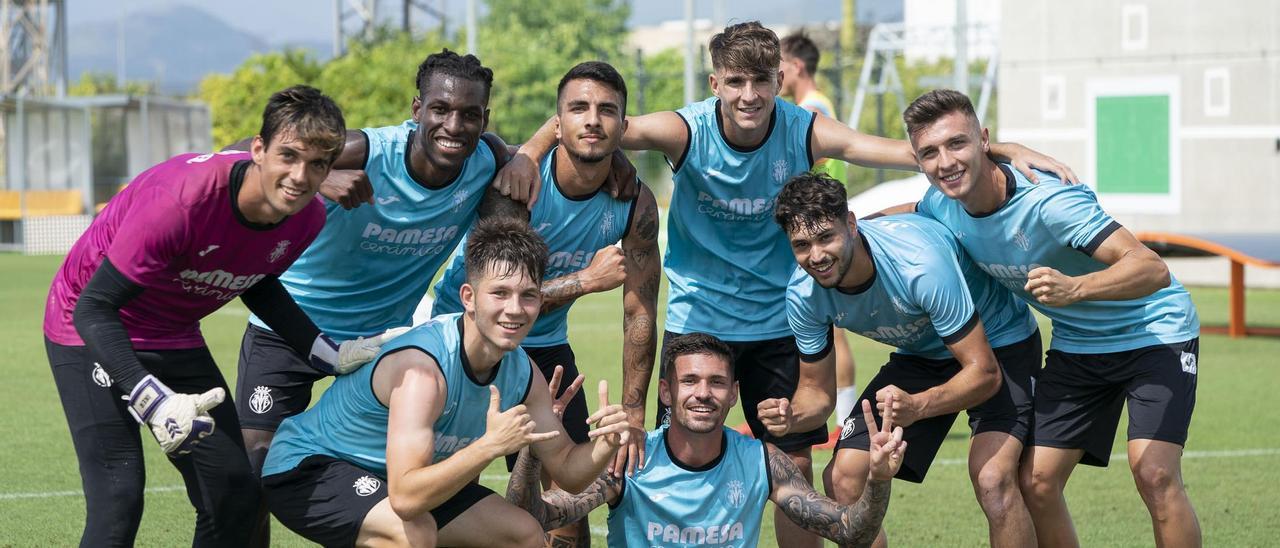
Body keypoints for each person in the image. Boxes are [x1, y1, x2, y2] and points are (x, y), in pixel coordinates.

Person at [498, 20, 1070, 548]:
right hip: (699, 322)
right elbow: (595, 127)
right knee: (670, 459)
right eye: (737, 81)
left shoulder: (804, 130)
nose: (750, 94)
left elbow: (908, 152)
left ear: (781, 81)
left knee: (794, 468)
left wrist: (1002, 149)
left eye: (763, 80)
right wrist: (527, 154)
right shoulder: (686, 131)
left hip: (780, 320)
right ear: (717, 82)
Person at [43, 85, 396, 546]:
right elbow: (94, 306)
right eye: (288, 156)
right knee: (119, 500)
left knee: (234, 493)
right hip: (88, 324)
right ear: (258, 150)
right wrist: (154, 399)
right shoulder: (180, 202)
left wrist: (328, 354)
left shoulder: (307, 217)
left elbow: (257, 278)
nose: (299, 176)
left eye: (316, 165)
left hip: (172, 331)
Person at [894, 89, 1201, 547]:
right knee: (1035, 483)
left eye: (957, 143)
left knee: (1153, 472)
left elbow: (1152, 268)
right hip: (1079, 344)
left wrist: (1076, 288)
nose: (945, 162)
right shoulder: (942, 205)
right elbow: (897, 220)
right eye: (930, 153)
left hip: (1154, 332)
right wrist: (846, 228)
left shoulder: (1049, 202)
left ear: (983, 139)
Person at [261, 217, 632, 547]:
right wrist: (489, 447)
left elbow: (567, 470)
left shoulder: (521, 371)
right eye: (500, 293)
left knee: (523, 534)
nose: (515, 309)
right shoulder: (423, 369)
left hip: (398, 479)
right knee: (411, 532)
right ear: (469, 297)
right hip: (311, 468)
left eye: (528, 296)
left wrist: (603, 446)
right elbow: (406, 499)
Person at [430, 60, 661, 545]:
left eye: (606, 110)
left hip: (545, 350)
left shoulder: (634, 203)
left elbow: (639, 310)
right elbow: (498, 306)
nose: (592, 120)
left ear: (623, 125)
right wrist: (584, 280)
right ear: (558, 123)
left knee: (569, 504)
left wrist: (635, 415)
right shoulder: (519, 186)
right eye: (578, 108)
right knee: (448, 498)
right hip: (466, 347)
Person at [758, 172, 1042, 547]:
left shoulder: (918, 264)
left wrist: (919, 406)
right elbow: (816, 393)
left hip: (997, 343)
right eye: (801, 244)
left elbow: (985, 375)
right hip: (922, 352)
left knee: (993, 478)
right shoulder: (803, 295)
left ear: (852, 225)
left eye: (826, 237)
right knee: (844, 476)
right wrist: (791, 416)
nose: (816, 256)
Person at [506, 332, 907, 548]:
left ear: (733, 394)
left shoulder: (763, 462)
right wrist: (534, 448)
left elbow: (851, 531)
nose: (703, 393)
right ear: (666, 392)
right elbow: (530, 517)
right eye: (690, 381)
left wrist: (878, 480)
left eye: (716, 383)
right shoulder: (629, 460)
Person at [779, 29, 858, 435]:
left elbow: (812, 168)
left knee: (833, 331)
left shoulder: (810, 110)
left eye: (779, 66)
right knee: (829, 327)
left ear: (795, 67)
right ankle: (841, 415)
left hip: (821, 225)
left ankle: (844, 417)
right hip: (819, 228)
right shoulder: (812, 104)